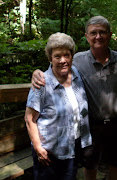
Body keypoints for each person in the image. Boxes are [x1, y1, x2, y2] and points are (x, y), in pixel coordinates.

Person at [32, 16, 117, 180]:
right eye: (93, 33)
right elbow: (57, 67)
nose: (98, 36)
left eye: (102, 32)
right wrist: (37, 73)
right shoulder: (78, 61)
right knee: (90, 166)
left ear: (110, 34)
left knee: (116, 165)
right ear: (86, 36)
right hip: (91, 125)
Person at [25, 32, 92, 180]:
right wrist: (38, 148)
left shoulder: (76, 74)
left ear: (71, 56)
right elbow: (30, 119)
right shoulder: (42, 83)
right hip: (48, 152)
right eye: (57, 56)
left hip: (72, 147)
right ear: (50, 58)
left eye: (67, 55)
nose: (63, 60)